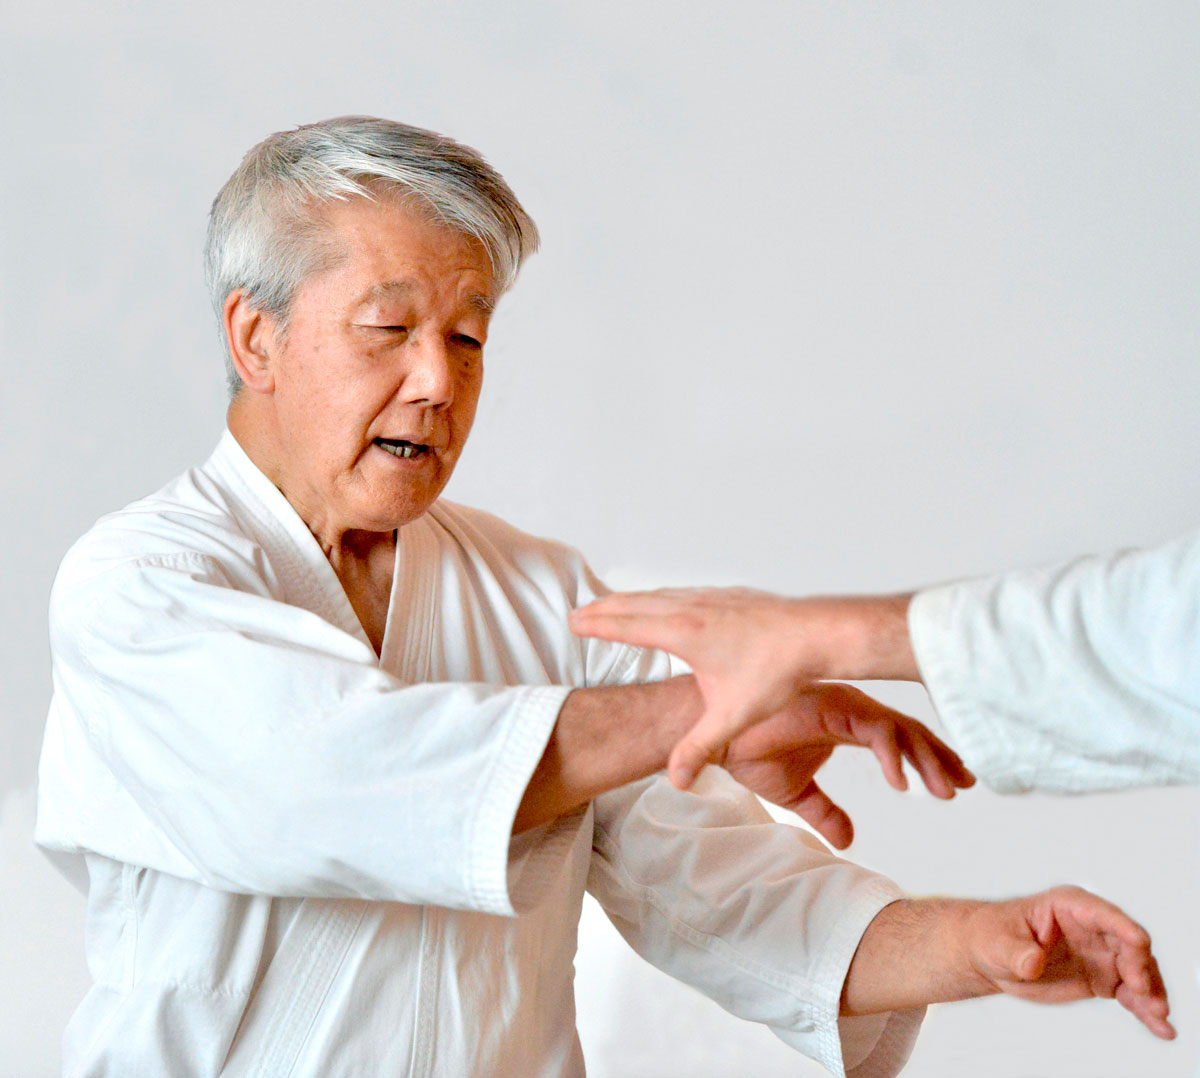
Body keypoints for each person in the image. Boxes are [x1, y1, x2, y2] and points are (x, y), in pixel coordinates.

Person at [36, 117, 1173, 1078]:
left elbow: (726, 892)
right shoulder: (140, 585)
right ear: (257, 336)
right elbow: (331, 775)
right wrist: (710, 703)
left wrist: (979, 944)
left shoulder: (540, 594)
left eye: (469, 334)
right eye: (389, 328)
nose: (437, 380)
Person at [569, 534, 1200, 802]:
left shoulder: (561, 597)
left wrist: (962, 942)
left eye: (470, 338)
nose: (461, 385)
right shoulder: (561, 602)